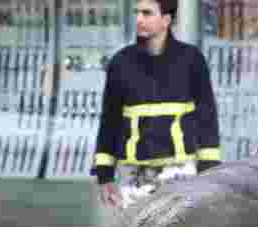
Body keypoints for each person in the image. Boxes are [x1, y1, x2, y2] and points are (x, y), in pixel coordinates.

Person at [92, 0, 221, 209]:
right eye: (137, 12)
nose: (139, 19)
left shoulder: (191, 60)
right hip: (134, 175)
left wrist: (209, 170)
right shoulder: (120, 63)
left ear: (166, 20)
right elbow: (110, 121)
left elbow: (207, 117)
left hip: (180, 172)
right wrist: (104, 174)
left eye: (147, 13)